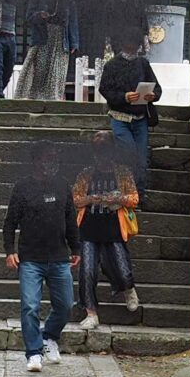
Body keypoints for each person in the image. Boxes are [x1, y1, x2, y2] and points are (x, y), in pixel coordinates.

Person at [2, 141, 79, 372]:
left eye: (55, 157)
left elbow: (70, 219)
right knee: (30, 306)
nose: (52, 162)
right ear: (36, 160)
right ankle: (34, 352)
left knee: (66, 305)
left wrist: (76, 249)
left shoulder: (63, 185)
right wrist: (10, 251)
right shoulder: (22, 187)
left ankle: (49, 336)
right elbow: (10, 223)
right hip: (30, 258)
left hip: (59, 256)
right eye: (47, 157)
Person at [73, 133, 141, 326]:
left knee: (122, 266)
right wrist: (90, 199)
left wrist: (117, 198)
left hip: (113, 226)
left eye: (105, 151)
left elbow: (134, 199)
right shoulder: (86, 173)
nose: (102, 157)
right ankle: (91, 312)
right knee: (87, 271)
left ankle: (128, 288)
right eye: (98, 152)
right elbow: (75, 199)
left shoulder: (123, 173)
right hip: (89, 226)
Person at [98, 38, 160, 198]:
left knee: (141, 159)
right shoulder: (112, 65)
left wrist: (153, 95)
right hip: (120, 117)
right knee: (128, 153)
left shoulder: (143, 64)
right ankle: (125, 192)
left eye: (135, 47)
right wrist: (124, 97)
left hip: (141, 117)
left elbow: (157, 88)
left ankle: (138, 194)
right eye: (129, 47)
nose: (132, 51)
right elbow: (104, 89)